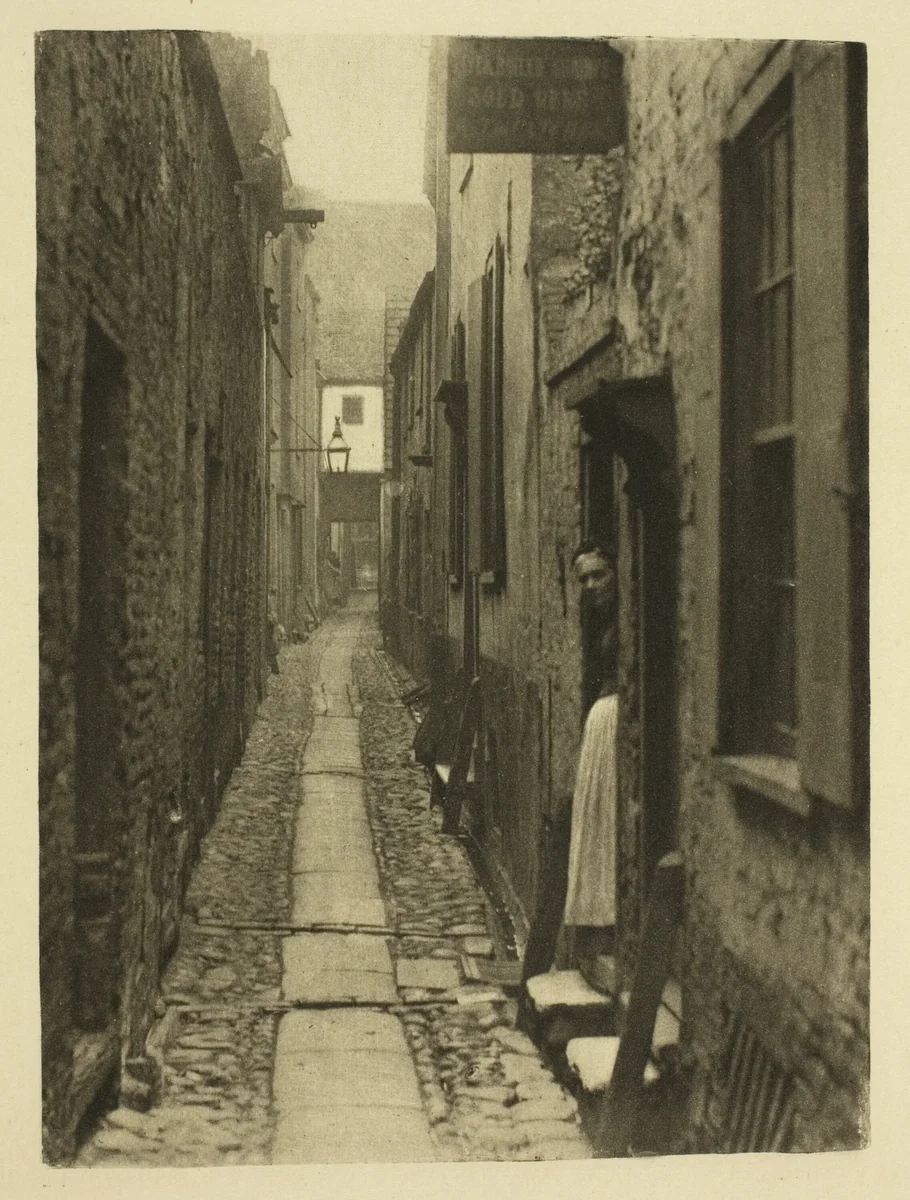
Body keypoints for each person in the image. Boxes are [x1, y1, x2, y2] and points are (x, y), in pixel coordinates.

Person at [564, 541, 619, 978]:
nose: (591, 585)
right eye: (583, 578)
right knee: (599, 820)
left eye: (599, 574)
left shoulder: (624, 621)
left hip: (614, 721)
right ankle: (599, 921)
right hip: (602, 725)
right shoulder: (598, 622)